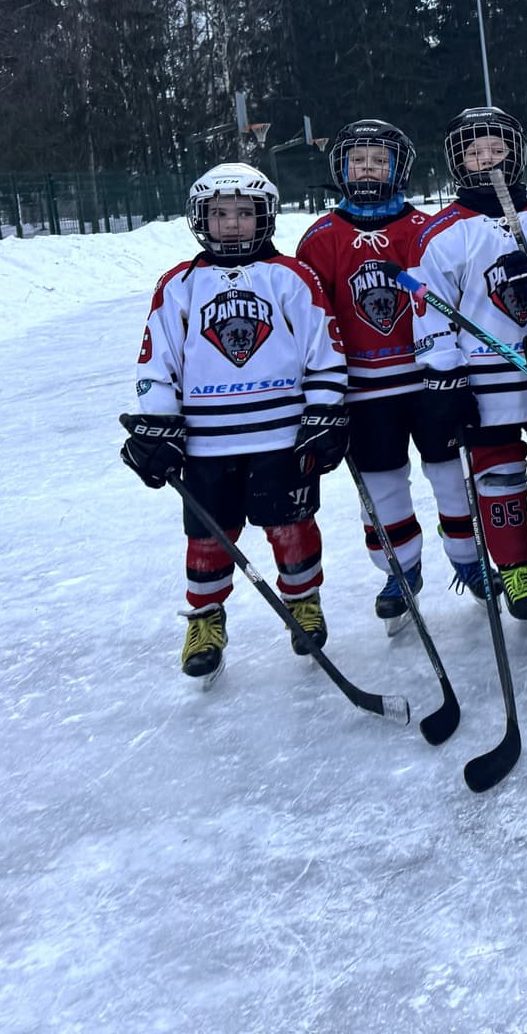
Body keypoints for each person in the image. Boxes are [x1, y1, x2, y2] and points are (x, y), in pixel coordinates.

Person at [121, 163, 348, 681]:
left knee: (290, 525)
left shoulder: (292, 277)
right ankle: (204, 618)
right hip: (205, 442)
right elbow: (158, 363)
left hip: (282, 435)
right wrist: (158, 426)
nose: (231, 224)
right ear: (200, 217)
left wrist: (326, 410)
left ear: (264, 217)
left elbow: (325, 351)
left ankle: (303, 603)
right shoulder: (179, 285)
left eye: (244, 213)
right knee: (207, 534)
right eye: (219, 213)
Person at [296, 120, 476, 624]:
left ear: (399, 168)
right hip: (364, 390)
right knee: (382, 486)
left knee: (450, 476)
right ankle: (400, 569)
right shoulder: (320, 239)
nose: (369, 169)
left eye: (380, 160)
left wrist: (454, 371)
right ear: (341, 168)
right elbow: (312, 320)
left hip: (428, 382)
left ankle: (469, 561)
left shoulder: (424, 231)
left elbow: (449, 302)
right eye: (359, 161)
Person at [412, 107, 527, 619]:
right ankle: (515, 568)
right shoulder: (442, 234)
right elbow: (430, 314)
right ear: (457, 162)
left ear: (516, 154)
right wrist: (447, 379)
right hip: (484, 382)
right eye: (473, 152)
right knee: (498, 477)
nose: (486, 160)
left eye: (496, 149)